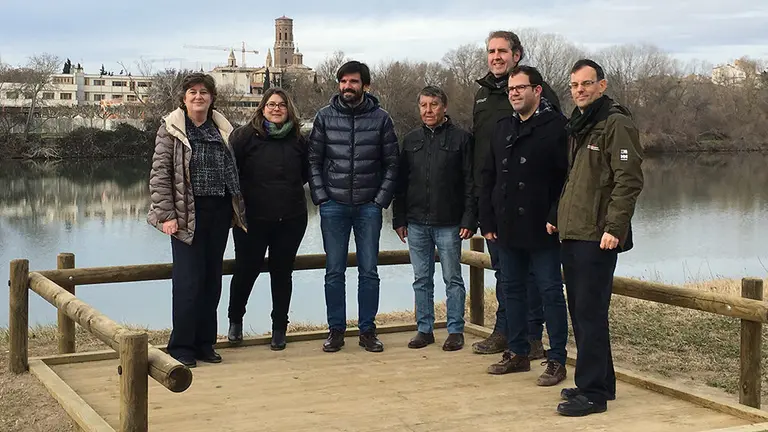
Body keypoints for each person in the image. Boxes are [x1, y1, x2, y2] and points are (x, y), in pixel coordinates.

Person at [554, 59, 644, 416]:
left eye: (586, 84)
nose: (579, 90)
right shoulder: (581, 124)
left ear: (602, 86)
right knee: (582, 312)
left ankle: (593, 395)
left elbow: (629, 180)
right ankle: (599, 381)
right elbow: (577, 181)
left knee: (590, 315)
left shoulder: (615, 123)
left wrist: (614, 228)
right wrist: (556, 218)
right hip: (574, 232)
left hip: (598, 236)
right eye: (575, 85)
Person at [471, 30, 561, 357]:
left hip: (531, 205)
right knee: (505, 274)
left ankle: (533, 337)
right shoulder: (482, 96)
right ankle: (505, 331)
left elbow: (554, 152)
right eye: (491, 51)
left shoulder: (538, 91)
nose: (496, 56)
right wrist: (479, 203)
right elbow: (479, 151)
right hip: (496, 200)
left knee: (534, 278)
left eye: (502, 51)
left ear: (517, 55)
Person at [147, 73, 246, 368]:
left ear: (212, 97)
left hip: (218, 211)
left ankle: (205, 343)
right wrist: (166, 216)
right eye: (193, 92)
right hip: (187, 213)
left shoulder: (223, 129)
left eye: (204, 92)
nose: (198, 96)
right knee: (188, 282)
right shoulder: (172, 129)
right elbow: (160, 174)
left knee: (211, 280)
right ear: (184, 98)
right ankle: (181, 347)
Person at [479, 66, 569, 387]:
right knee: (511, 289)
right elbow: (488, 176)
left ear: (537, 90)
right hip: (507, 226)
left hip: (543, 227)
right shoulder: (502, 127)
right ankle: (517, 352)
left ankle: (556, 359)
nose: (514, 93)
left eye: (520, 87)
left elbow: (567, 179)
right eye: (511, 89)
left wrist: (556, 215)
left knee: (549, 292)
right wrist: (486, 219)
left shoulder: (557, 127)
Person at [308, 60, 399, 353]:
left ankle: (367, 331)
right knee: (334, 271)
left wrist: (380, 200)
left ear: (366, 86)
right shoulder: (324, 117)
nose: (348, 86)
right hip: (333, 204)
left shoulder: (382, 119)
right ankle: (336, 330)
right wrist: (321, 197)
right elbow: (313, 161)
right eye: (344, 81)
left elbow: (392, 164)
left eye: (354, 82)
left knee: (369, 271)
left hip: (368, 207)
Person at [393, 86, 475, 351]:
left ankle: (455, 330)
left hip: (449, 222)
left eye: (434, 105)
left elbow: (470, 183)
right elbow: (400, 183)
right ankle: (424, 329)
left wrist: (468, 219)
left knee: (453, 278)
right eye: (424, 105)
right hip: (416, 221)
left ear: (444, 107)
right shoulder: (411, 139)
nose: (428, 110)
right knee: (421, 278)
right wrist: (399, 218)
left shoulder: (461, 139)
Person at [226, 87, 308, 351]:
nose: (276, 109)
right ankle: (235, 320)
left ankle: (279, 328)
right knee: (245, 270)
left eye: (281, 105)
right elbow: (231, 172)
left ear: (289, 109)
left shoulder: (298, 139)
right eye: (271, 104)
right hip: (252, 220)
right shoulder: (244, 137)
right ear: (261, 108)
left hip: (291, 218)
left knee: (282, 273)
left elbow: (306, 173)